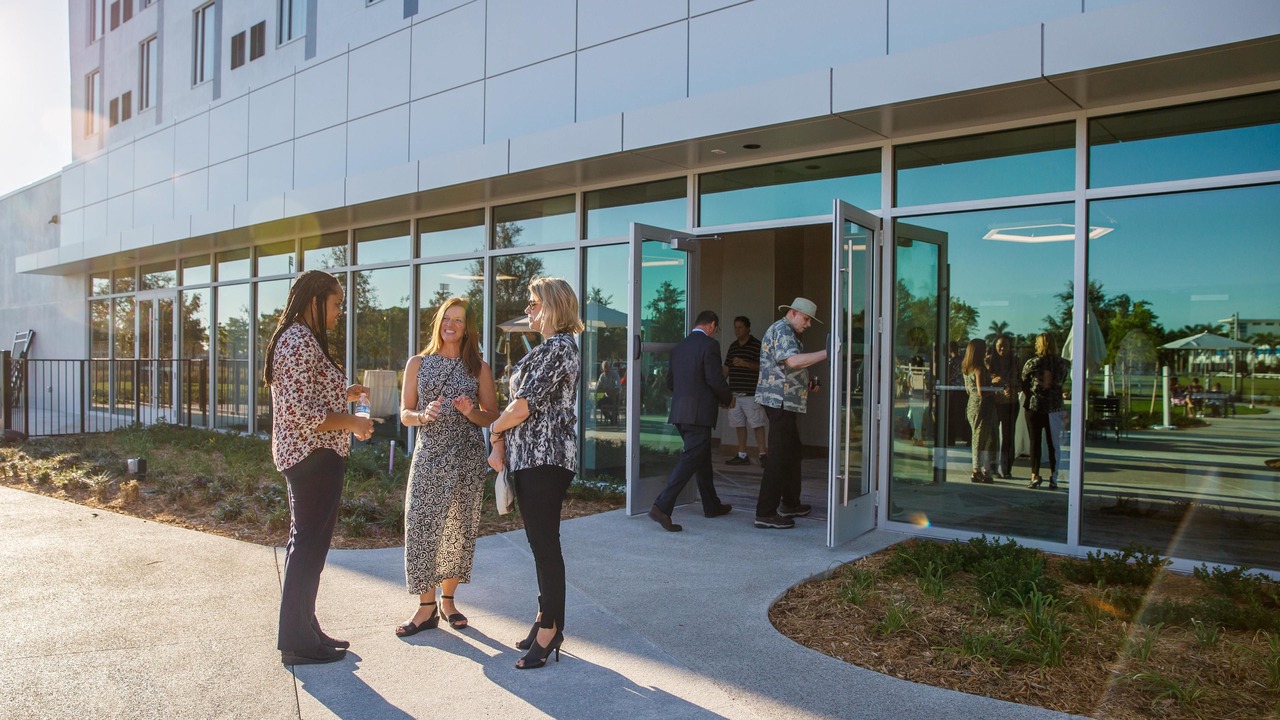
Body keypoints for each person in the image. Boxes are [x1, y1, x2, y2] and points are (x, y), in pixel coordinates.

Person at [263, 270, 374, 666]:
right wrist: (352, 422)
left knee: (309, 547)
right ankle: (296, 642)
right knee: (308, 547)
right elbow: (298, 411)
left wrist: (345, 394)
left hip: (316, 456)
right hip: (311, 457)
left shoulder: (303, 339)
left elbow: (307, 392)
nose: (340, 310)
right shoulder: (296, 340)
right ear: (316, 301)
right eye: (337, 302)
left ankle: (305, 629)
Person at [487, 277, 583, 670]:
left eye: (532, 303)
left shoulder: (560, 347)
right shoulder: (548, 348)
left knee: (545, 547)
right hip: (531, 458)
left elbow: (523, 405)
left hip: (547, 459)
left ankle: (550, 631)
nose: (527, 309)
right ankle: (544, 619)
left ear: (552, 306)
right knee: (539, 545)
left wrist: (494, 430)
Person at [395, 298, 499, 638]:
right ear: (438, 322)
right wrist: (423, 416)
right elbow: (404, 412)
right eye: (446, 318)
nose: (450, 325)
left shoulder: (479, 368)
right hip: (429, 453)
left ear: (468, 328)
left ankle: (448, 601)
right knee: (422, 523)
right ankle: (426, 607)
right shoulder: (418, 363)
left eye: (458, 320)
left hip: (466, 456)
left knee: (458, 527)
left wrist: (471, 413)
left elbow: (493, 416)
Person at [648, 311, 736, 533]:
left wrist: (686, 397)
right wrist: (728, 399)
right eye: (716, 328)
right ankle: (661, 506)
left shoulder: (679, 347)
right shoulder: (710, 345)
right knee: (690, 459)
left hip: (680, 412)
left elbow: (670, 382)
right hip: (699, 414)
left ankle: (711, 504)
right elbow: (714, 379)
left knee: (701, 457)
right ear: (712, 325)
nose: (715, 332)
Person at [753, 298, 828, 530]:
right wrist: (829, 352)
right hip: (780, 402)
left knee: (792, 452)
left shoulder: (787, 332)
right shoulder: (783, 330)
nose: (808, 325)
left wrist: (805, 385)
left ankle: (791, 503)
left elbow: (784, 369)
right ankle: (765, 513)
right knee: (779, 456)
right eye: (806, 319)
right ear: (794, 313)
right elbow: (794, 361)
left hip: (785, 400)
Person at [1021, 333, 1070, 490]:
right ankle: (1054, 476)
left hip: (1035, 406)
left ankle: (1034, 475)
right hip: (1054, 406)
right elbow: (1062, 381)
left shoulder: (1033, 363)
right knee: (1054, 444)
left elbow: (1023, 381)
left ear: (1040, 345)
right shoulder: (1063, 364)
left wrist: (1034, 391)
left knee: (1034, 443)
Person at [722, 315, 767, 466]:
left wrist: (745, 364)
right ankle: (742, 454)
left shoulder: (756, 345)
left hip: (751, 393)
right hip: (734, 393)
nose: (737, 330)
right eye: (735, 327)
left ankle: (763, 454)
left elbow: (764, 367)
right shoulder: (733, 346)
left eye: (740, 327)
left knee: (757, 423)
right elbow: (727, 368)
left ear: (748, 328)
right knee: (738, 424)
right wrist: (721, 387)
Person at [987, 334, 1021, 479]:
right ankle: (992, 467)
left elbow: (1022, 382)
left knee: (1008, 437)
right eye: (1000, 345)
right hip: (993, 403)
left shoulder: (1016, 361)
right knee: (992, 437)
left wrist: (1014, 388)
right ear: (995, 346)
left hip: (1011, 403)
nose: (1002, 348)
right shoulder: (988, 361)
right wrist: (994, 380)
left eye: (1006, 345)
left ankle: (1006, 469)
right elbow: (981, 380)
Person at [963, 338, 997, 484]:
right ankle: (977, 470)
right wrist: (996, 388)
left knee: (979, 438)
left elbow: (968, 390)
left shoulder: (966, 368)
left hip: (971, 405)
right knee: (982, 439)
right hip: (982, 406)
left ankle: (984, 470)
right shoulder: (979, 369)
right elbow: (981, 391)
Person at [596, 360, 621, 424]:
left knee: (615, 402)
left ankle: (614, 418)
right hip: (607, 396)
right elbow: (598, 387)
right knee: (599, 403)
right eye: (604, 367)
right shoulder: (602, 376)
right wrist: (603, 388)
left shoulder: (615, 374)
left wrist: (612, 392)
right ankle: (610, 418)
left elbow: (618, 387)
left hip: (615, 396)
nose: (606, 368)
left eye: (607, 367)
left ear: (610, 367)